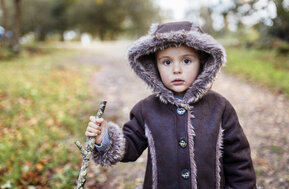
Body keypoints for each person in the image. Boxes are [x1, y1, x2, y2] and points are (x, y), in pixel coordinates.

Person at [85, 21, 257, 189]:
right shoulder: (146, 109)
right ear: (154, 66)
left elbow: (238, 160)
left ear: (202, 63)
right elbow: (129, 145)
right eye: (167, 62)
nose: (176, 70)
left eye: (187, 61)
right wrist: (104, 138)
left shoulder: (220, 107)